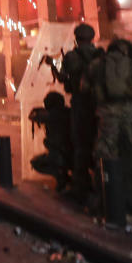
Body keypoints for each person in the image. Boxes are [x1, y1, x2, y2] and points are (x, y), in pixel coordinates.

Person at [90, 38, 132, 218]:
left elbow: (84, 88)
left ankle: (106, 203)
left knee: (105, 159)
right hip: (131, 115)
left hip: (107, 116)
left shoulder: (96, 65)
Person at [46, 23, 99, 200]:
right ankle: (101, 184)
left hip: (80, 104)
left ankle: (80, 185)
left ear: (76, 38)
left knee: (80, 144)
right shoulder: (100, 55)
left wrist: (52, 65)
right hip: (98, 105)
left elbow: (62, 78)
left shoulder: (72, 57)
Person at [28, 91, 72, 192]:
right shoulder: (67, 112)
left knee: (36, 163)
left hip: (59, 153)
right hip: (71, 151)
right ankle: (64, 177)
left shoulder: (52, 115)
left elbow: (32, 116)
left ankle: (61, 177)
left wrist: (38, 109)